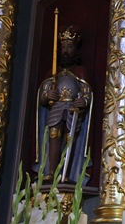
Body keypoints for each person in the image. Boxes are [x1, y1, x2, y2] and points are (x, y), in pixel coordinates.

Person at [36, 25, 92, 182]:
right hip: (57, 107)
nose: (66, 51)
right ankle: (51, 171)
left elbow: (87, 92)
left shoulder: (80, 72)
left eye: (69, 47)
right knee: (54, 135)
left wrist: (83, 101)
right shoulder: (54, 73)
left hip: (72, 108)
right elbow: (43, 94)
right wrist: (47, 95)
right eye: (64, 47)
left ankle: (67, 172)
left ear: (75, 49)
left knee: (70, 137)